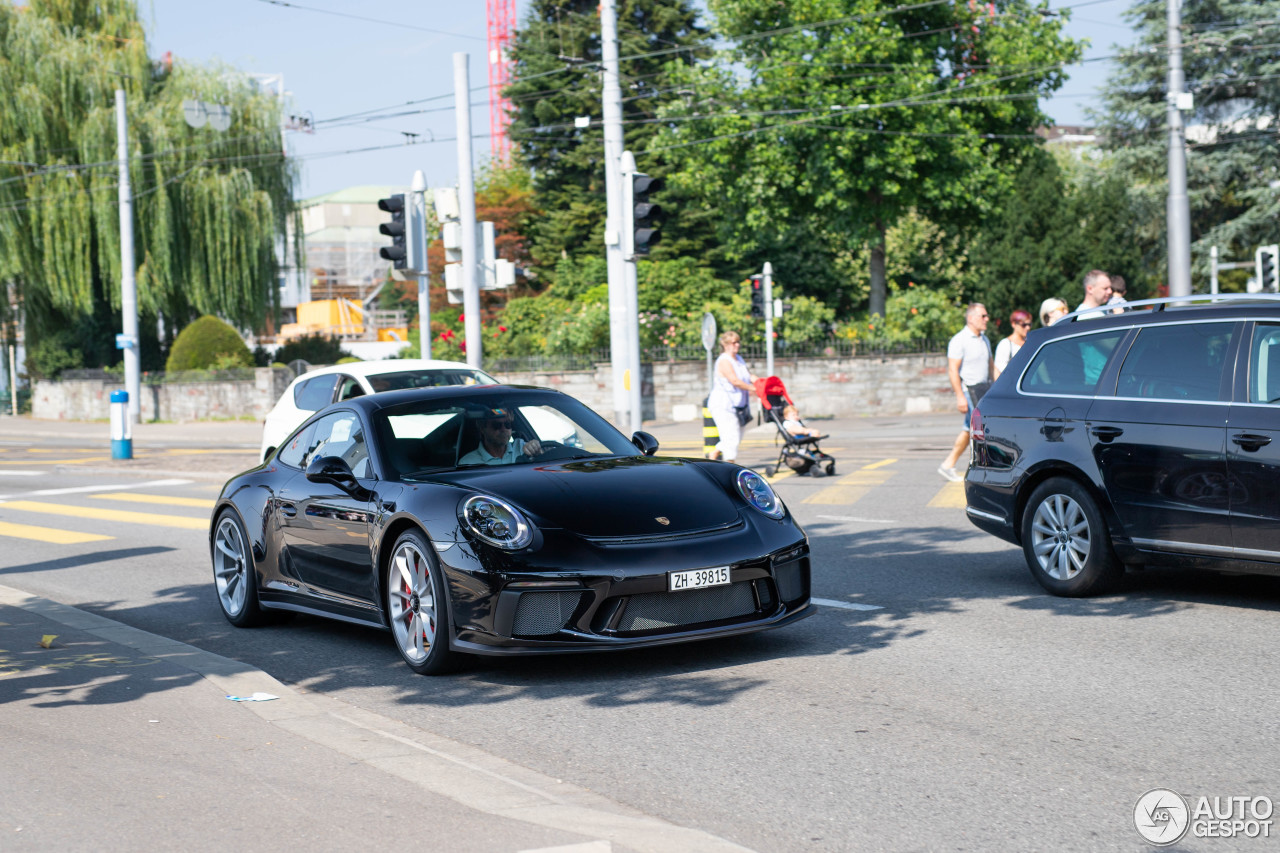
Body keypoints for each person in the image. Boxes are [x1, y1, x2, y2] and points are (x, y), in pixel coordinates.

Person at [938, 303, 994, 482]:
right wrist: (960, 396)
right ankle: (981, 467)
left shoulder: (984, 339)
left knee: (967, 430)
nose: (987, 319)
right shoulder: (959, 340)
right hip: (969, 390)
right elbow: (953, 370)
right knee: (980, 430)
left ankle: (948, 464)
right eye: (983, 316)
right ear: (971, 318)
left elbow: (991, 366)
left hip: (984, 390)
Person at [706, 330, 759, 463]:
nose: (737, 345)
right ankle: (729, 464)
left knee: (737, 436)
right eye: (733, 342)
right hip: (723, 404)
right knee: (731, 437)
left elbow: (749, 376)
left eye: (738, 342)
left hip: (739, 404)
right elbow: (734, 381)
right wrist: (753, 388)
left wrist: (762, 384)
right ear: (725, 344)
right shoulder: (724, 361)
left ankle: (714, 453)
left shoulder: (739, 359)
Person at [459, 409, 544, 465]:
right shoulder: (468, 462)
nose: (503, 429)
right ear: (482, 428)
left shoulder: (522, 447)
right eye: (497, 425)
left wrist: (537, 450)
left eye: (507, 424)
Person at [993, 309, 1032, 379]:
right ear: (1013, 324)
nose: (1028, 328)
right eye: (1024, 325)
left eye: (1029, 324)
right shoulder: (1005, 344)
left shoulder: (1030, 343)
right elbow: (999, 372)